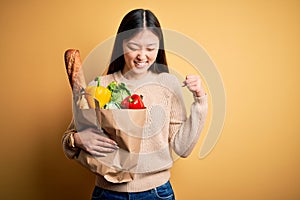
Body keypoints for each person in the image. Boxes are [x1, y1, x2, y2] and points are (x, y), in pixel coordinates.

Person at [62, 8, 208, 200]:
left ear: (159, 47)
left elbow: (182, 148)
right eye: (134, 46)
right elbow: (67, 140)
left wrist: (200, 100)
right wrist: (78, 140)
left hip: (156, 194)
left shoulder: (168, 84)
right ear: (121, 44)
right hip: (108, 194)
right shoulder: (99, 86)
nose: (142, 56)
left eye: (150, 48)